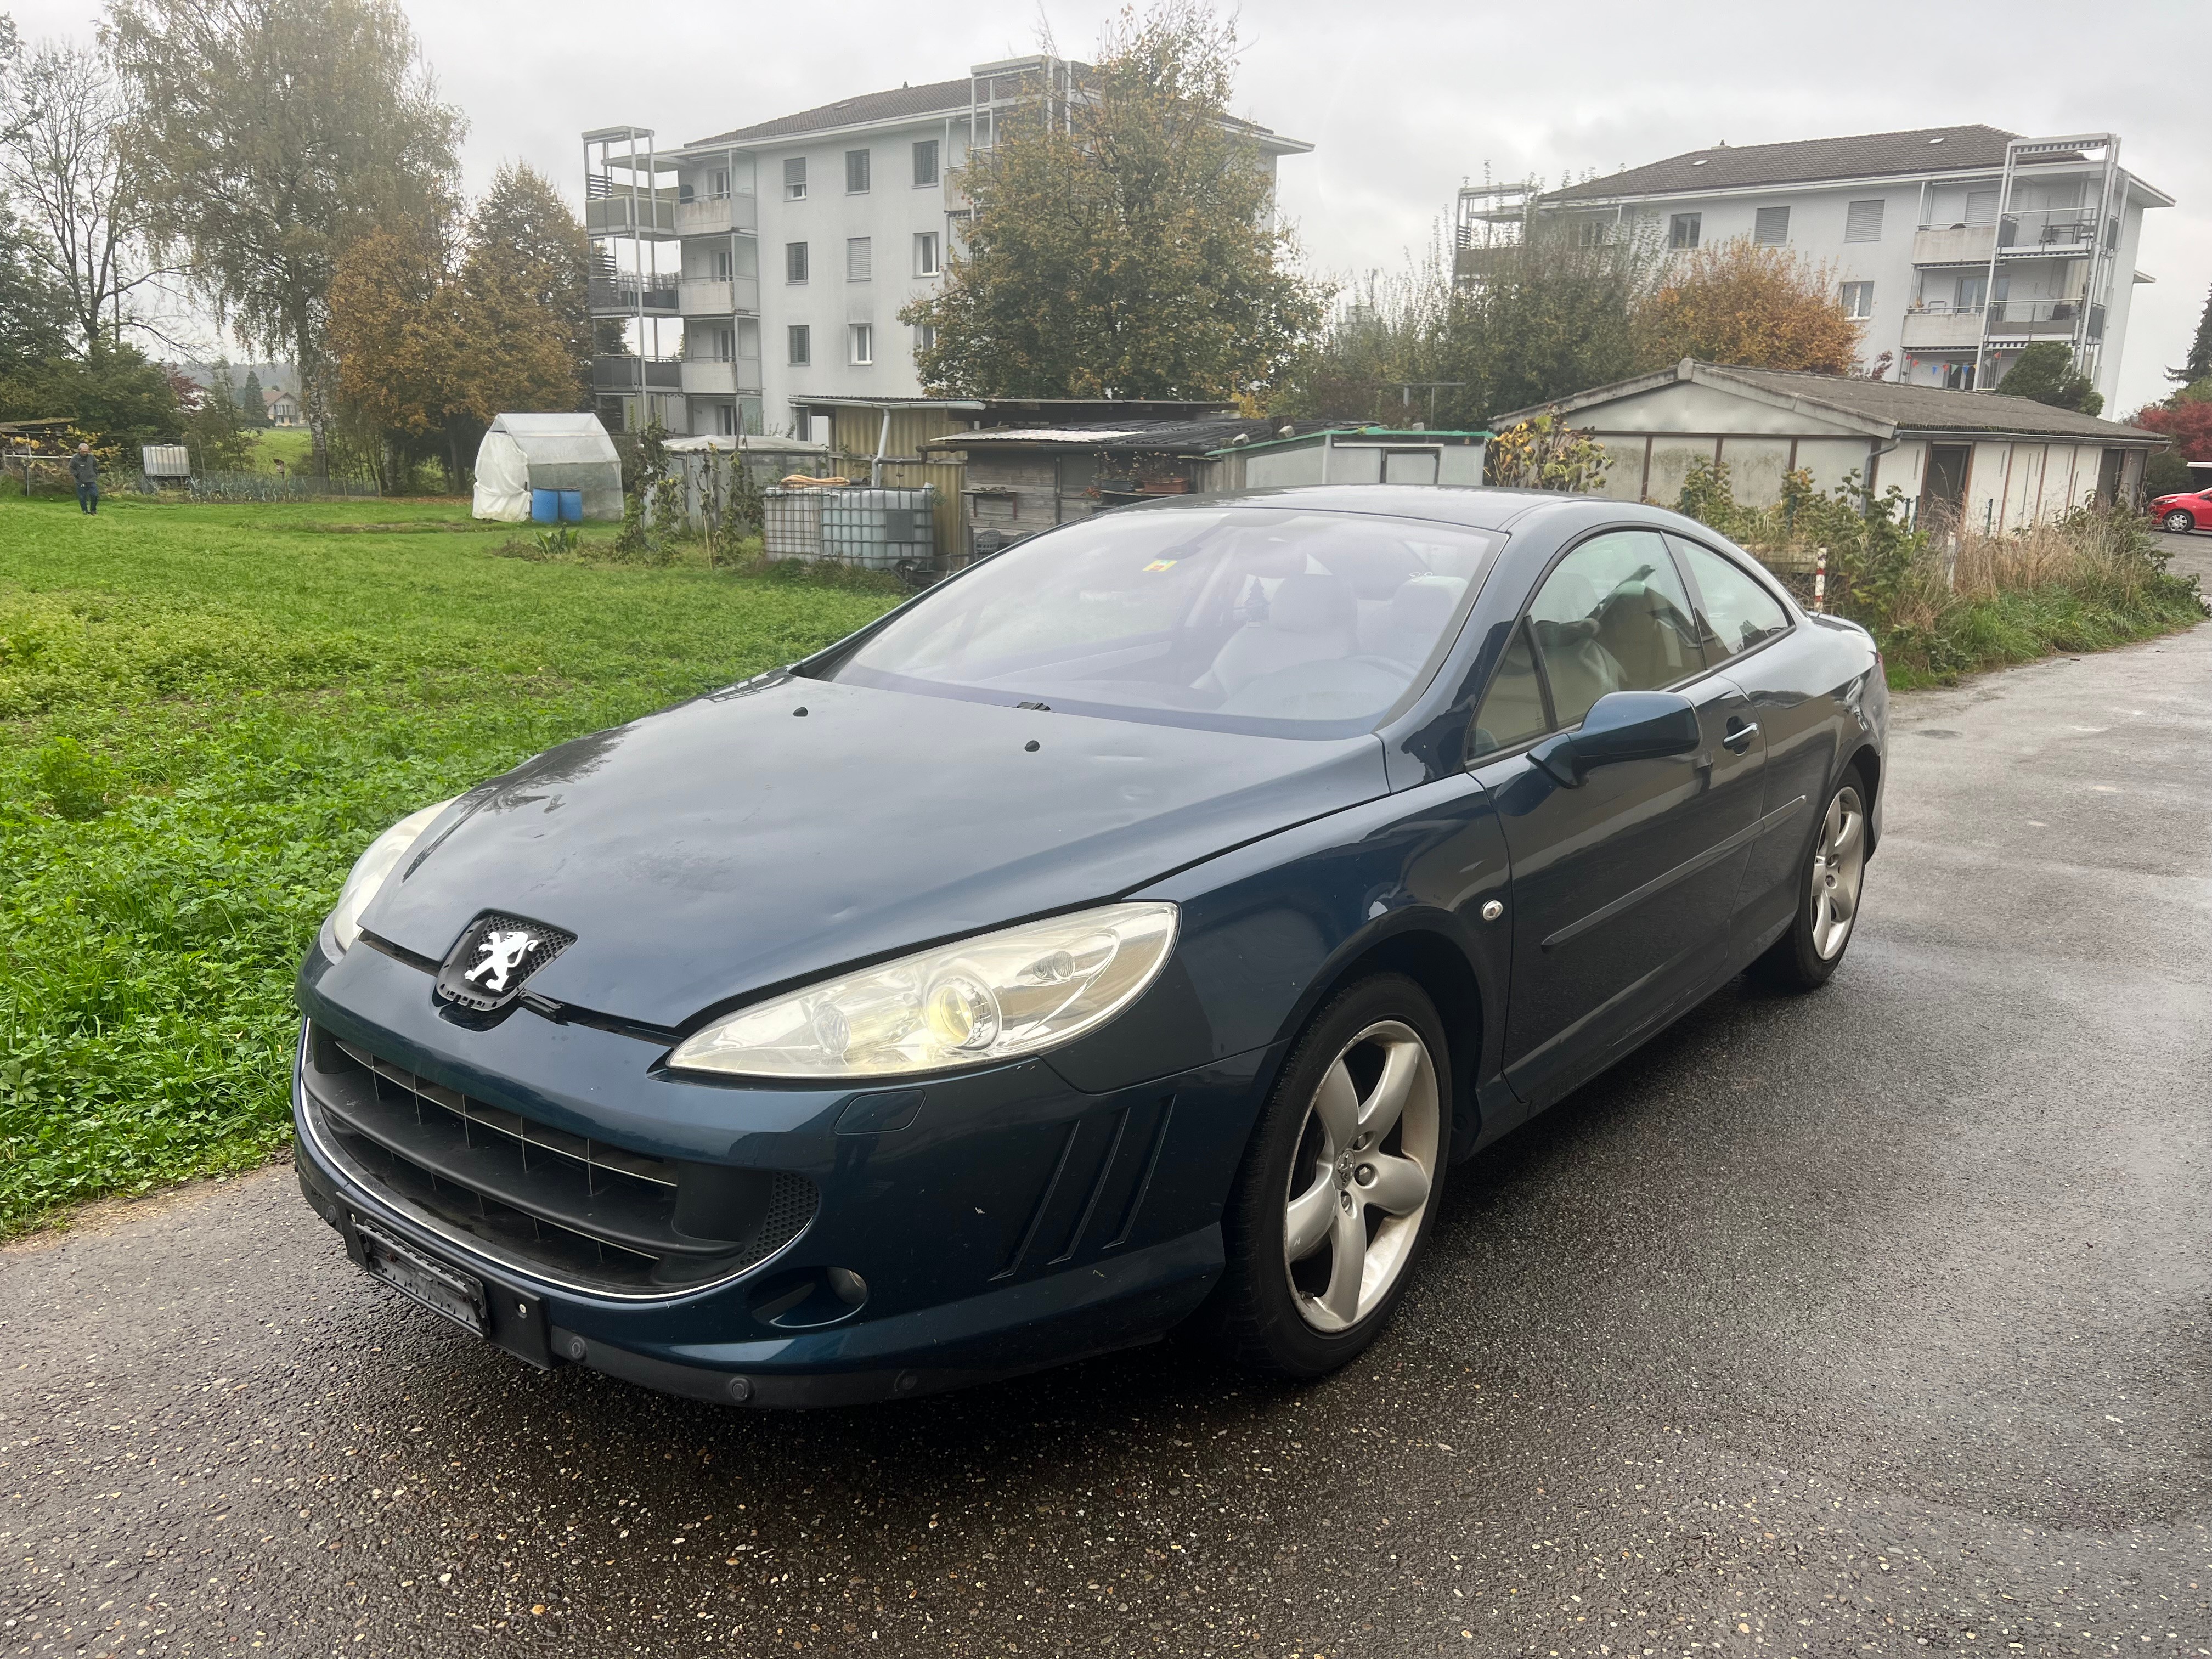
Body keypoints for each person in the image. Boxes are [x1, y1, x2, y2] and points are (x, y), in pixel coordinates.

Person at [69, 442, 99, 515]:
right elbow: (71, 468)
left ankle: (93, 510)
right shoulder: (75, 458)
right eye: (83, 451)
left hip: (91, 480)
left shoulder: (92, 458)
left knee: (95, 495)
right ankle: (85, 511)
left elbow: (96, 466)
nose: (85, 453)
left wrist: (95, 474)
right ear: (79, 450)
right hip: (80, 481)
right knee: (82, 497)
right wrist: (77, 475)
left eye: (87, 451)